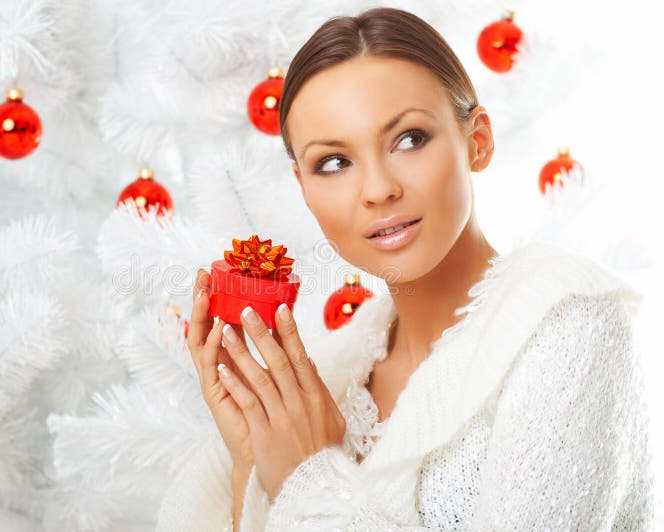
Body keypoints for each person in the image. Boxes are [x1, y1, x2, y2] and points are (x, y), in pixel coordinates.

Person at [155, 6, 654, 531]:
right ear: (303, 187)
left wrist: (307, 478)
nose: (377, 190)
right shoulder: (334, 375)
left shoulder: (568, 324)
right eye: (334, 163)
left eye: (410, 139)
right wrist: (252, 466)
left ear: (477, 140)